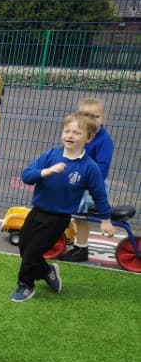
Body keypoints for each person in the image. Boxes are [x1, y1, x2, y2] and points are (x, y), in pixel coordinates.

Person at [10, 111, 114, 302]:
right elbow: (27, 175)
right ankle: (48, 271)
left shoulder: (89, 167)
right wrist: (46, 172)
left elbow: (99, 194)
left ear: (89, 138)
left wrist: (106, 220)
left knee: (32, 253)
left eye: (76, 132)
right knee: (25, 250)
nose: (70, 135)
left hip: (58, 218)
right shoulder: (50, 155)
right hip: (37, 211)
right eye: (67, 131)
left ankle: (25, 285)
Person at [58, 98, 115, 263]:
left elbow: (102, 169)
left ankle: (81, 249)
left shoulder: (104, 140)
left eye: (94, 116)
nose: (89, 120)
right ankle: (78, 245)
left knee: (79, 216)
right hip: (78, 181)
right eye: (84, 115)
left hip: (91, 185)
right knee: (76, 216)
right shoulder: (79, 135)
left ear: (103, 118)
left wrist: (86, 183)